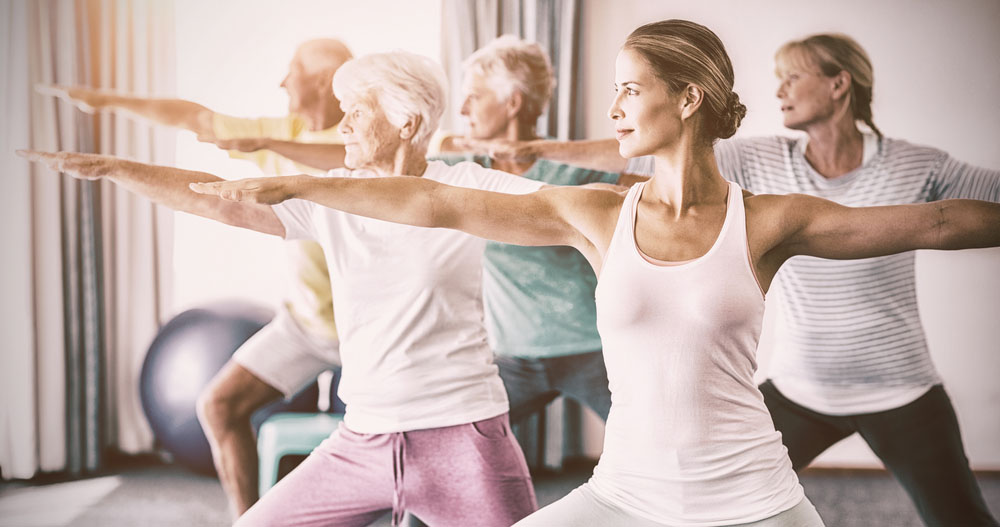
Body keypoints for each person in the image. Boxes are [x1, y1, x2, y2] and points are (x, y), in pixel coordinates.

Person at [178, 18, 1000, 526]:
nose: (612, 109)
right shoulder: (601, 213)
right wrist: (300, 181)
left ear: (684, 100)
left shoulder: (769, 216)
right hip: (628, 496)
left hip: (751, 495)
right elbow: (434, 203)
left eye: (628, 89)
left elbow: (936, 218)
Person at [461, 31, 1000, 527]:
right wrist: (536, 151)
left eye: (794, 75)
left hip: (898, 386)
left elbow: (947, 218)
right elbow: (630, 148)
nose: (780, 89)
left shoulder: (902, 168)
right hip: (797, 390)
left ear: (839, 85)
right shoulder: (757, 158)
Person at [21, 50, 542, 527]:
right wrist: (116, 168)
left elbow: (569, 209)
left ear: (406, 121)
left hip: (463, 437)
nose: (343, 127)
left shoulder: (474, 188)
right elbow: (215, 200)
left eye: (357, 111)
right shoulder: (330, 196)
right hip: (361, 441)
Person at [39, 39, 353, 518]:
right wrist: (111, 101)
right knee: (219, 406)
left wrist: (267, 145)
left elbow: (347, 155)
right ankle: (246, 519)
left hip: (367, 331)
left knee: (380, 440)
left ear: (324, 80)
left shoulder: (364, 137)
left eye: (292, 70)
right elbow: (195, 118)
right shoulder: (279, 131)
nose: (281, 81)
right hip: (306, 327)